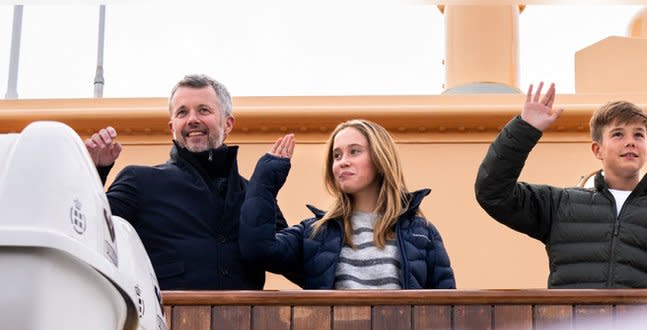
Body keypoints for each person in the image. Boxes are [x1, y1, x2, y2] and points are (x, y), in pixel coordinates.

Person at [474, 82, 647, 289]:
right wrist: (524, 129)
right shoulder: (561, 204)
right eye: (618, 134)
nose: (630, 142)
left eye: (638, 135)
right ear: (597, 149)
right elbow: (493, 192)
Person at [84, 74, 284, 290]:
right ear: (172, 127)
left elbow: (296, 258)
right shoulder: (139, 181)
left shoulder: (254, 194)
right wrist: (94, 172)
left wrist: (326, 220)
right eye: (182, 112)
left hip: (247, 322)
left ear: (227, 124)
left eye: (203, 110)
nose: (192, 119)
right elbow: (90, 233)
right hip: (167, 321)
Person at [239, 119, 455, 290]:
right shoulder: (315, 232)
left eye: (354, 151)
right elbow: (258, 251)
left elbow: (447, 310)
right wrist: (265, 181)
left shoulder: (422, 233)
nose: (343, 161)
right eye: (336, 155)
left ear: (381, 159)